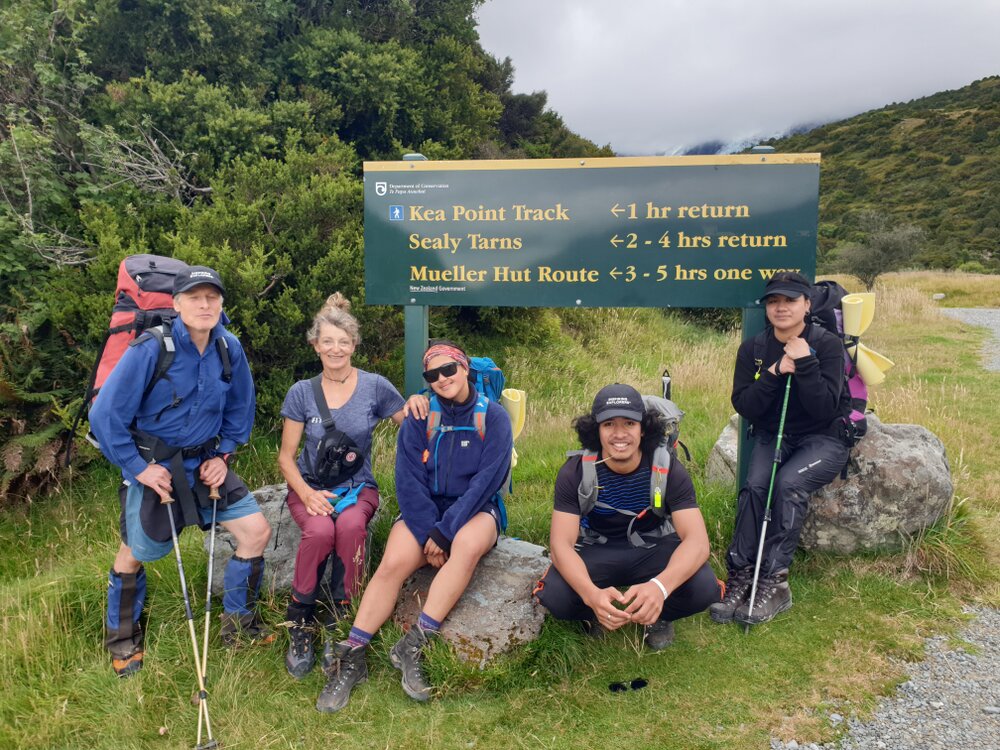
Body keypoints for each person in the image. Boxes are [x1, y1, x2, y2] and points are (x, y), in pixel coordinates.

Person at [90, 265, 272, 677]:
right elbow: (105, 416)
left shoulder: (228, 347)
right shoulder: (151, 349)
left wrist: (223, 456)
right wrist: (139, 469)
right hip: (156, 467)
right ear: (176, 304)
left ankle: (238, 626)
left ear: (221, 303)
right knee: (136, 552)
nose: (204, 305)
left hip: (206, 464)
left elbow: (241, 408)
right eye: (194, 297)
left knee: (256, 531)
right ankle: (123, 639)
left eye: (212, 297)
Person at [314, 340, 512, 713]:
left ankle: (414, 643)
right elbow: (408, 480)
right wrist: (427, 534)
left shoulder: (495, 417)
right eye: (432, 375)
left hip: (475, 510)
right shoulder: (419, 416)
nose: (442, 379)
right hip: (425, 510)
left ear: (465, 368)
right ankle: (353, 653)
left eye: (449, 370)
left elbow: (486, 482)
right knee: (392, 563)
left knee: (467, 547)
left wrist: (445, 533)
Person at [278, 293, 409, 679]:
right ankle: (300, 622)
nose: (336, 349)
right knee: (319, 531)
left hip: (358, 487)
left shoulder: (375, 386)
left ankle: (343, 618)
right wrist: (307, 494)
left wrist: (425, 409)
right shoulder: (302, 392)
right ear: (315, 345)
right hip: (311, 487)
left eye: (343, 342)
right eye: (328, 342)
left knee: (351, 527)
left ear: (354, 345)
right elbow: (286, 457)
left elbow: (411, 425)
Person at [709, 272, 852, 626]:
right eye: (773, 301)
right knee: (756, 486)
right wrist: (774, 371)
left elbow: (824, 407)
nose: (781, 307)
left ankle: (775, 581)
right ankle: (741, 575)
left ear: (807, 305)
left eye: (790, 300)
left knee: (788, 484)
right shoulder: (754, 350)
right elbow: (746, 405)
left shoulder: (827, 345)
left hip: (824, 438)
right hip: (774, 434)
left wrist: (805, 363)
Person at [534, 384, 719, 650]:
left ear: (643, 429)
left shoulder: (667, 469)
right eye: (609, 424)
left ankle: (659, 613)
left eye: (629, 423)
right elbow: (560, 545)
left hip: (652, 546)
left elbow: (698, 542)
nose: (619, 434)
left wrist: (660, 587)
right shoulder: (575, 472)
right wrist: (591, 594)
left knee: (704, 587)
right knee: (555, 594)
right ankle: (596, 611)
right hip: (597, 548)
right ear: (596, 430)